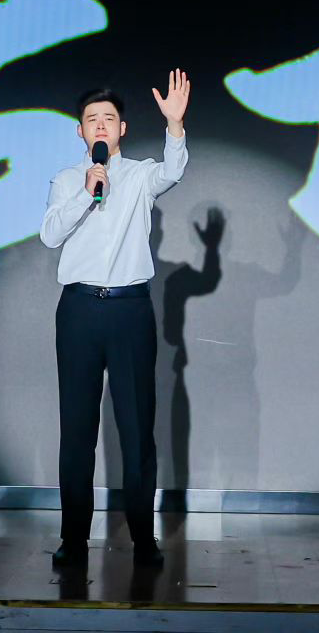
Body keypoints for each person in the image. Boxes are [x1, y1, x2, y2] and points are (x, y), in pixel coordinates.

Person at [39, 71, 191, 569]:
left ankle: (144, 539)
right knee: (77, 431)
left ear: (122, 128)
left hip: (129, 310)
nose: (100, 125)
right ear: (80, 131)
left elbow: (173, 171)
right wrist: (87, 191)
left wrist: (175, 125)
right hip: (80, 310)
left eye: (109, 118)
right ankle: (74, 539)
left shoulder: (141, 175)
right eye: (92, 119)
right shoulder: (67, 180)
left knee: (136, 427)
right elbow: (50, 235)